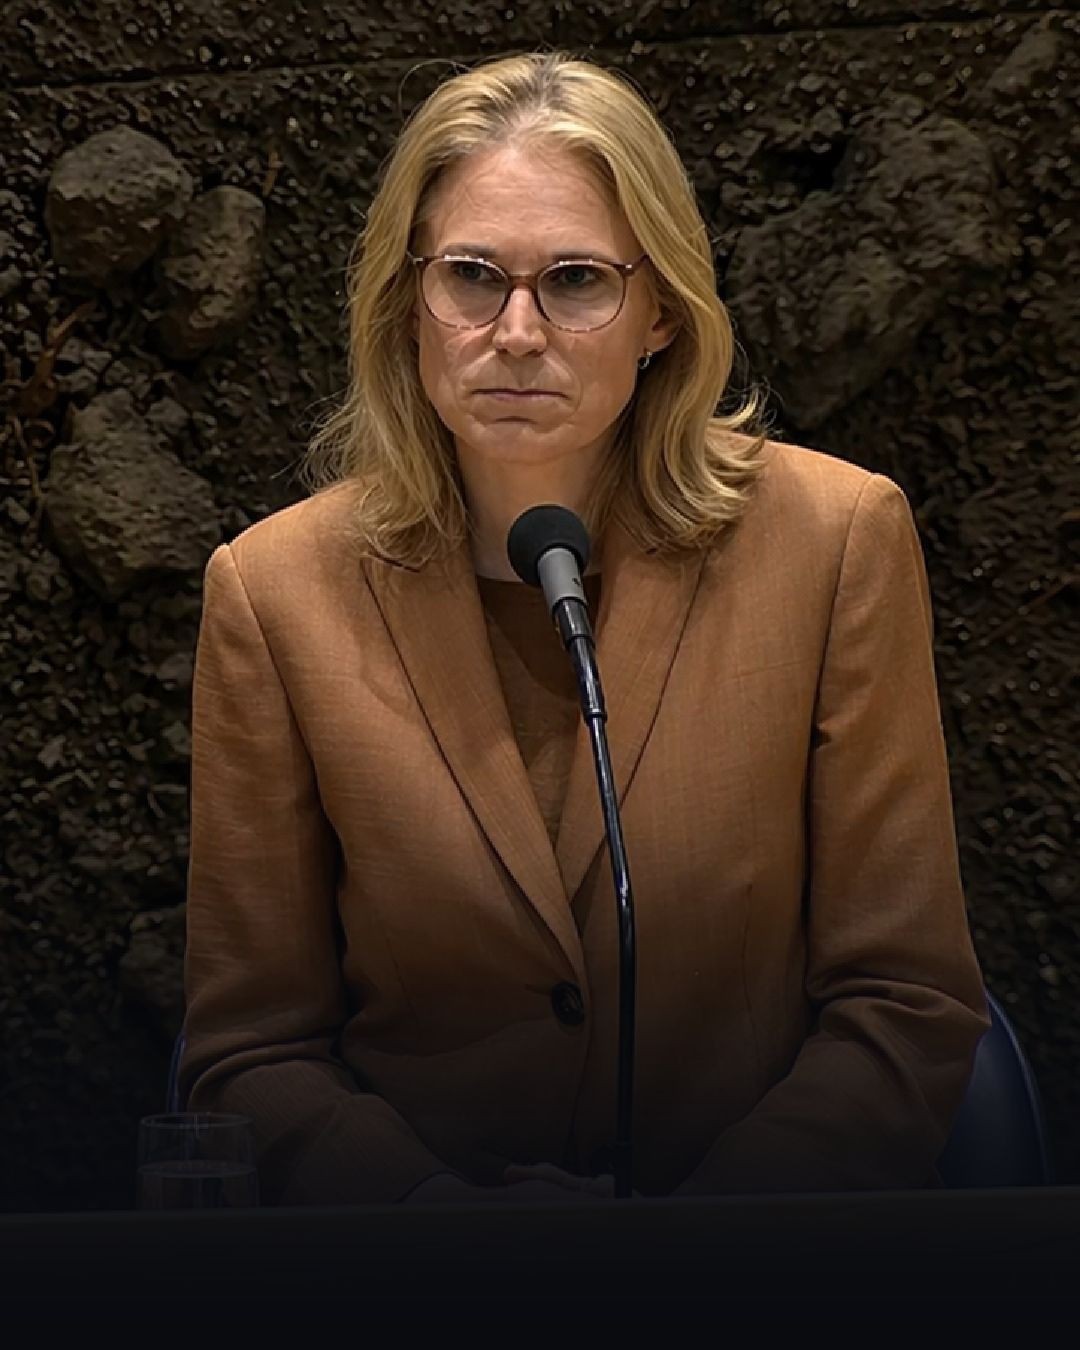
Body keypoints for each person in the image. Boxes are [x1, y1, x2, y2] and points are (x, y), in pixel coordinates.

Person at [180, 50, 990, 1207]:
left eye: (574, 281)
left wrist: (697, 1246)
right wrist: (437, 1226)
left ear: (660, 309)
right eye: (471, 276)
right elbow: (250, 1052)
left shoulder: (836, 542)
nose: (517, 331)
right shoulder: (274, 592)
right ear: (407, 301)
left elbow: (906, 1001)